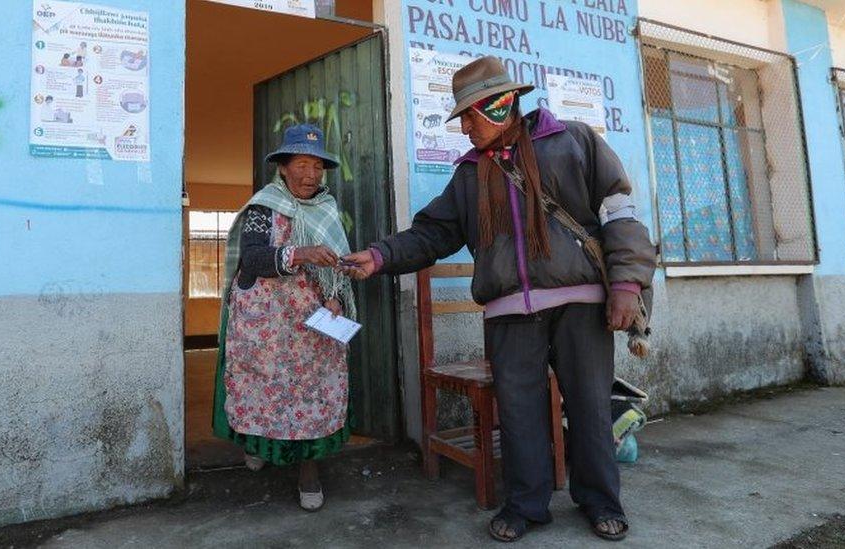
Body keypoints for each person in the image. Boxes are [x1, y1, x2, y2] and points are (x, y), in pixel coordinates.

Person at [341, 56, 656, 542]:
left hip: (580, 304)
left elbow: (619, 212)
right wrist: (380, 257)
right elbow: (432, 234)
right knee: (518, 412)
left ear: (500, 104)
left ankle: (599, 500)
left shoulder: (573, 141)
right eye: (461, 116)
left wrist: (626, 286)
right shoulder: (469, 175)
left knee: (591, 407)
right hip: (509, 313)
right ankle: (526, 504)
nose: (464, 127)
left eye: (470, 115)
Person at [212, 124, 355, 512]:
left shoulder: (326, 208)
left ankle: (309, 471)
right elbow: (253, 259)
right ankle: (257, 443)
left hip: (312, 324)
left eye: (317, 167)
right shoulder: (263, 206)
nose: (310, 176)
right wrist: (300, 253)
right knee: (263, 387)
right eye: (302, 165)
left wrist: (337, 297)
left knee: (313, 392)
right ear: (284, 167)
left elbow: (338, 265)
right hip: (268, 324)